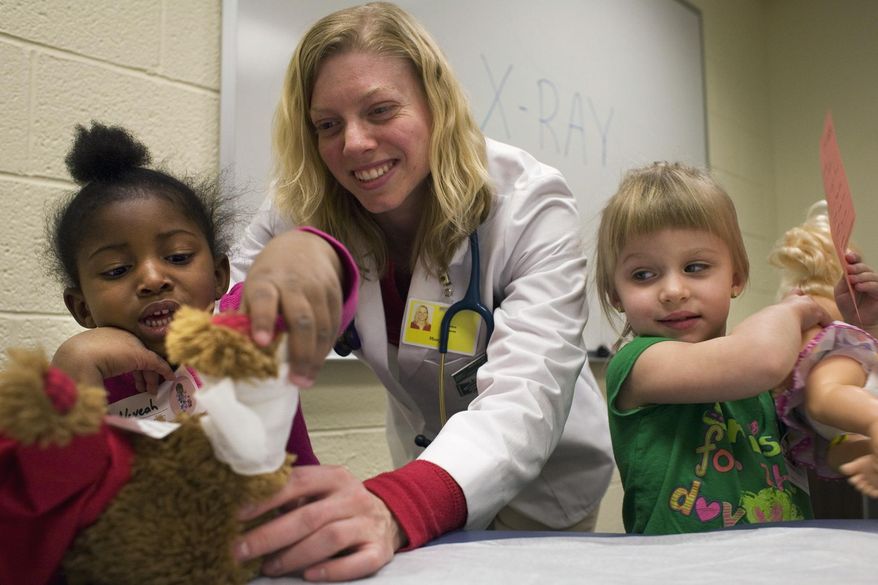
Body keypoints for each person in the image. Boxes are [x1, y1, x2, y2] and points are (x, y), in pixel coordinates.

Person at [228, 2, 615, 580]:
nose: (354, 143)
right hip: (421, 463)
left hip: (542, 481)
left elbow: (525, 395)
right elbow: (226, 343)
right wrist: (266, 284)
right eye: (327, 125)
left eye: (380, 110)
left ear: (435, 104)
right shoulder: (299, 207)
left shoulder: (529, 202)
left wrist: (397, 503)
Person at [46, 121, 335, 465]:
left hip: (292, 513)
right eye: (117, 270)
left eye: (178, 257)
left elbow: (327, 301)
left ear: (217, 275)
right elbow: (58, 493)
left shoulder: (244, 322)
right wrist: (72, 368)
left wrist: (317, 258)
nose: (152, 279)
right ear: (82, 309)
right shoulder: (91, 376)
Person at [594, 162, 830, 534]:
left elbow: (847, 383)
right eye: (643, 275)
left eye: (695, 267)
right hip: (682, 571)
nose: (673, 291)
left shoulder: (753, 359)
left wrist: (858, 322)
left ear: (735, 277)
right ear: (615, 294)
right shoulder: (637, 365)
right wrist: (794, 310)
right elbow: (761, 359)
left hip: (780, 563)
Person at [770, 201, 878, 497]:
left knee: (825, 397)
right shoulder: (826, 306)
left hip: (835, 390)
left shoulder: (806, 300)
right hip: (834, 415)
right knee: (836, 444)